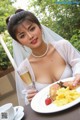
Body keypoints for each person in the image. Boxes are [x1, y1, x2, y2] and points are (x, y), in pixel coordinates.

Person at [6, 9, 80, 106]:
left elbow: (77, 63)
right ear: (19, 42)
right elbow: (29, 97)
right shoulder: (24, 69)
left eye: (32, 29)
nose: (30, 36)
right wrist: (29, 98)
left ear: (40, 27)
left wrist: (78, 73)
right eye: (22, 35)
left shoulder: (63, 46)